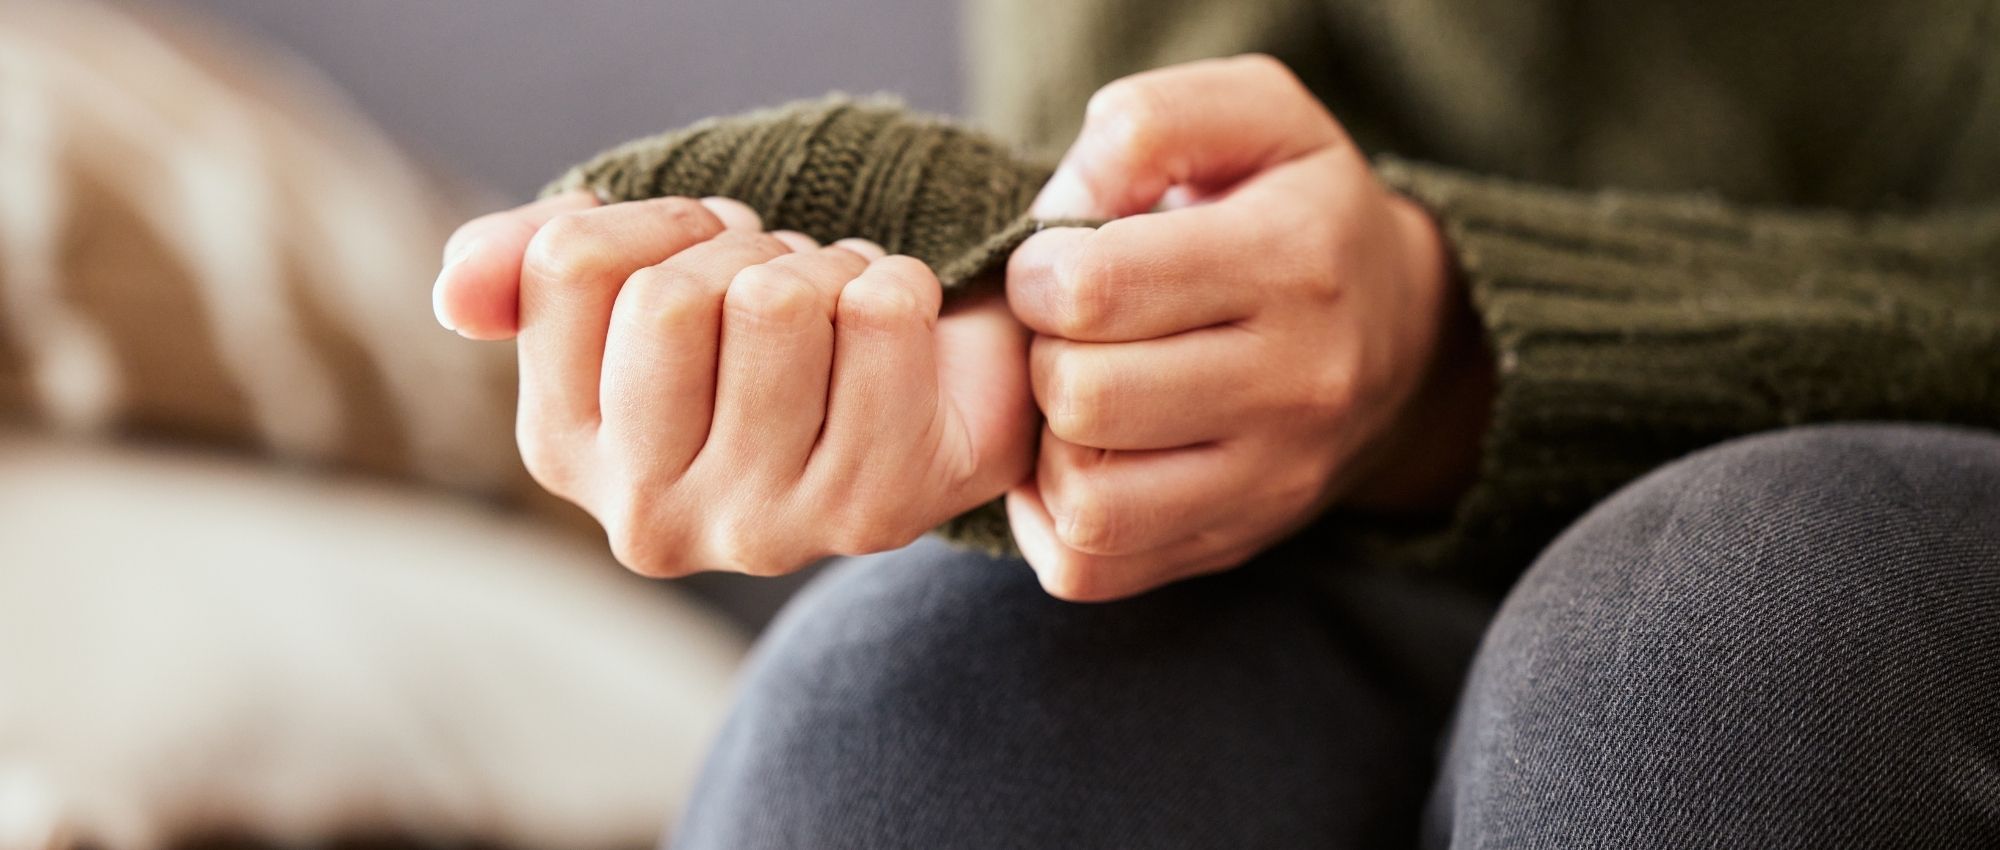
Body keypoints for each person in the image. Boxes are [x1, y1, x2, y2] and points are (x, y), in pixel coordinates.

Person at [432, 0, 2000, 846]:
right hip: (1356, 538)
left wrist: (1441, 337)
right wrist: (1066, 347)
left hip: (1863, 513)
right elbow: (1125, 152)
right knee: (917, 702)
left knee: (1728, 653)